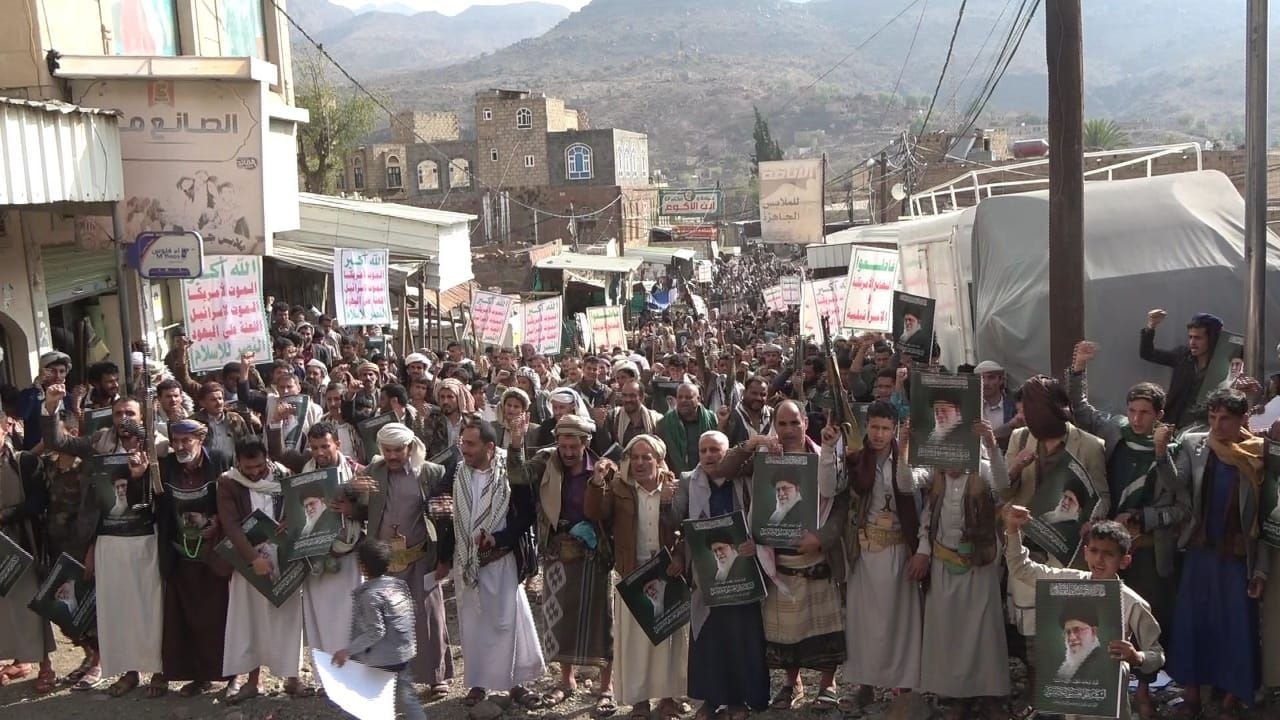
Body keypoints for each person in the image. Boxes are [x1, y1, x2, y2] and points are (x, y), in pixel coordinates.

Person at [713, 400, 847, 711]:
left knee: (826, 627)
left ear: (806, 424)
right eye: (782, 424)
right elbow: (725, 470)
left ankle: (827, 685)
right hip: (778, 559)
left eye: (794, 423)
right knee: (785, 631)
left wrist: (821, 538)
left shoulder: (825, 456)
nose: (788, 430)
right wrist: (753, 442)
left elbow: (840, 504)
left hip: (817, 557)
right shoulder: (764, 456)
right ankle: (791, 683)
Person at [1005, 509, 1165, 720]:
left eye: (1108, 554)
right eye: (1094, 551)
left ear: (1125, 560)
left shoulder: (1131, 602)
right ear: (1086, 553)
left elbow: (1157, 654)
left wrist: (1137, 657)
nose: (1099, 559)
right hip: (1072, 701)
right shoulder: (1068, 582)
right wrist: (1012, 529)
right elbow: (1021, 569)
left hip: (1109, 702)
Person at [1167, 389, 1263, 716]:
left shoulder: (1257, 455)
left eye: (1225, 419)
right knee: (1192, 623)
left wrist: (1260, 570)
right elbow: (1175, 483)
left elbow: (1265, 518)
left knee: (1236, 626)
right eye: (1212, 417)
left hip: (1236, 557)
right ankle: (1192, 695)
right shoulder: (1194, 445)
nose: (1217, 426)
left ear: (1242, 420)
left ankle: (1230, 700)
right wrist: (1161, 453)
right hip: (1200, 552)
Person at [908, 417, 1011, 718]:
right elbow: (909, 488)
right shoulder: (935, 474)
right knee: (948, 633)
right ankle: (955, 696)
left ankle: (990, 695)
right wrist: (903, 447)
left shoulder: (983, 470)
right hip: (943, 562)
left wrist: (991, 444)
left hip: (979, 564)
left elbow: (1004, 486)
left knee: (984, 633)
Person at [586, 435, 689, 720]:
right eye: (635, 457)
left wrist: (680, 556)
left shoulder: (673, 487)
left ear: (659, 460)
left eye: (647, 457)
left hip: (666, 573)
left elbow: (686, 526)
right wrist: (596, 482)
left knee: (668, 640)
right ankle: (639, 702)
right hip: (632, 571)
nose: (640, 463)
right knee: (634, 643)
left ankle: (668, 698)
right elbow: (594, 512)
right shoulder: (619, 487)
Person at [668, 430, 768, 718]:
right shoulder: (688, 480)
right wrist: (666, 500)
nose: (709, 456)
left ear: (728, 454)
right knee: (708, 638)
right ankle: (711, 701)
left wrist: (756, 543)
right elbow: (675, 520)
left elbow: (759, 517)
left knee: (741, 637)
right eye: (704, 450)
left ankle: (739, 701)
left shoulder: (743, 479)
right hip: (706, 575)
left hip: (742, 573)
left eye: (715, 450)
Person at [832, 400, 923, 710]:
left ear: (894, 429)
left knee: (902, 622)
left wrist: (919, 550)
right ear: (867, 426)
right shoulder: (856, 460)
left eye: (885, 428)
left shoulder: (907, 458)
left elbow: (917, 501)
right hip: (866, 550)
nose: (879, 434)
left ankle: (903, 687)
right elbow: (835, 491)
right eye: (874, 427)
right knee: (864, 622)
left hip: (900, 549)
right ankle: (866, 685)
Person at [448, 419, 545, 708]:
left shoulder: (508, 472)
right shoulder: (458, 472)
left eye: (471, 444)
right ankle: (478, 683)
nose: (465, 449)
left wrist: (500, 540)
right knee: (472, 623)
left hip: (501, 559)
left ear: (489, 447)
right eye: (463, 443)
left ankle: (515, 683)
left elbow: (526, 514)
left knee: (506, 622)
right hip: (468, 561)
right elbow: (436, 496)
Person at [523, 413, 615, 712]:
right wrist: (515, 440)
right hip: (558, 549)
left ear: (585, 443)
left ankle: (607, 686)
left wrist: (598, 482)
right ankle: (566, 679)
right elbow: (518, 475)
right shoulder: (547, 465)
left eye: (574, 446)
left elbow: (607, 513)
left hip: (593, 552)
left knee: (601, 620)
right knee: (559, 616)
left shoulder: (602, 469)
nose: (568, 452)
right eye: (563, 446)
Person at [361, 422, 454, 699]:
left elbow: (445, 518)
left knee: (428, 617)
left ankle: (436, 677)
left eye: (397, 450)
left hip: (420, 557)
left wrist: (444, 558)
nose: (391, 456)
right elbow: (356, 504)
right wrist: (350, 499)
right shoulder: (373, 471)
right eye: (387, 450)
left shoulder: (431, 473)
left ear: (410, 447)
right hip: (384, 562)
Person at [217, 438, 306, 703]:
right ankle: (253, 681)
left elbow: (299, 505)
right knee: (250, 619)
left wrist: (290, 518)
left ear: (266, 458)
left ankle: (293, 677)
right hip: (247, 561)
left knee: (288, 616)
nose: (255, 473)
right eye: (248, 468)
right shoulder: (228, 482)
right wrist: (253, 558)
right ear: (238, 462)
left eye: (259, 466)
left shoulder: (284, 476)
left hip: (283, 556)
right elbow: (231, 525)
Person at [84, 419, 165, 699]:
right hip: (111, 543)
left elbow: (159, 498)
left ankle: (159, 669)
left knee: (151, 608)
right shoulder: (102, 453)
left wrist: (142, 472)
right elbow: (97, 506)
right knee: (120, 609)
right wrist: (91, 547)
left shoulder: (158, 453)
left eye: (131, 415)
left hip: (146, 541)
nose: (129, 440)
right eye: (119, 414)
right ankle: (130, 671)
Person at [154, 418, 234, 697]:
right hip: (181, 552)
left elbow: (233, 497)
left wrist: (219, 522)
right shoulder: (167, 467)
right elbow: (161, 506)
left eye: (186, 441)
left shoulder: (220, 460)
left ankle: (232, 675)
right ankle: (201, 677)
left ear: (200, 440)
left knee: (219, 617)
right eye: (176, 441)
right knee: (187, 618)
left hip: (214, 554)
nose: (180, 446)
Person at [332, 541, 426, 720]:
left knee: (361, 700)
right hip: (402, 654)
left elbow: (376, 631)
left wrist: (348, 651)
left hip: (380, 659)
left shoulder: (369, 596)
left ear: (362, 567)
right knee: (408, 699)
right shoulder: (398, 586)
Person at [0, 409, 56, 694]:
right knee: (4, 608)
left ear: (5, 428)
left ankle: (46, 667)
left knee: (33, 606)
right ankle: (18, 661)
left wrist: (5, 515)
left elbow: (38, 502)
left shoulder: (25, 462)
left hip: (25, 543)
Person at [1138, 309, 1223, 427]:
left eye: (1198, 338)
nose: (1192, 342)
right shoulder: (1182, 356)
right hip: (1174, 422)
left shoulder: (1222, 365)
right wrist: (1151, 326)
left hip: (1204, 425)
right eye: (1190, 337)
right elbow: (1147, 353)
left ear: (1212, 339)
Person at [657, 383, 718, 475]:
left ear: (698, 399)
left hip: (708, 477)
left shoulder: (712, 419)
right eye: (680, 397)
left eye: (688, 397)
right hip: (677, 479)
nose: (683, 400)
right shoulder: (665, 423)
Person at [974, 360, 1019, 451]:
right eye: (981, 378)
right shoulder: (972, 407)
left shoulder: (1014, 407)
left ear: (1001, 380)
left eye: (991, 377)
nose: (985, 383)